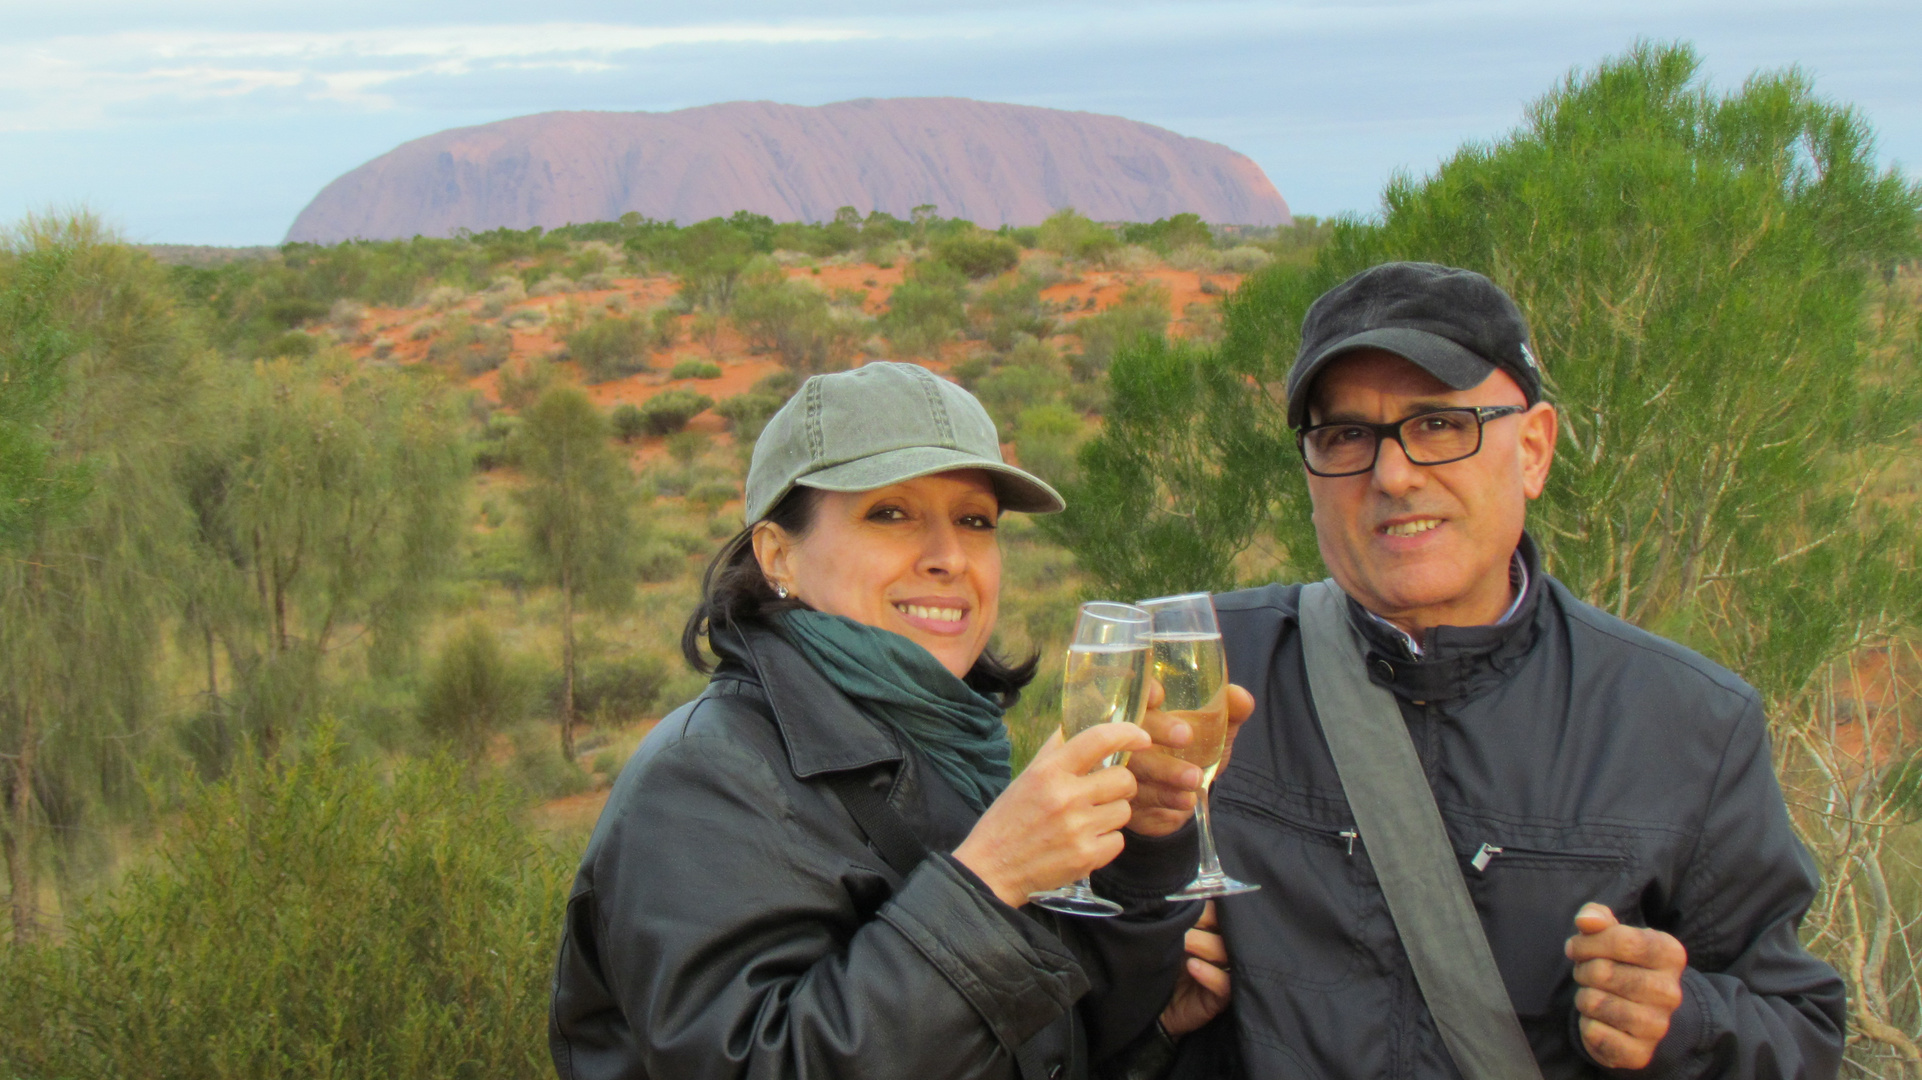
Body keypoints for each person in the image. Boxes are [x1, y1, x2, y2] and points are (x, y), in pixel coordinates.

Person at [1154, 263, 1846, 1077]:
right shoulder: (1194, 664)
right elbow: (1065, 1007)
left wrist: (1685, 1022)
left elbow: (1799, 1032)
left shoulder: (1688, 724)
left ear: (1535, 450)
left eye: (1441, 424)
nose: (1392, 474)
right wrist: (1145, 1002)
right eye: (1345, 435)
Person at [548, 361, 1228, 1080]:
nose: (947, 558)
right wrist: (988, 881)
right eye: (891, 513)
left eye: (974, 521)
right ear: (777, 555)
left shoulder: (952, 753)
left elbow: (1034, 1036)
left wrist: (1148, 852)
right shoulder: (704, 781)